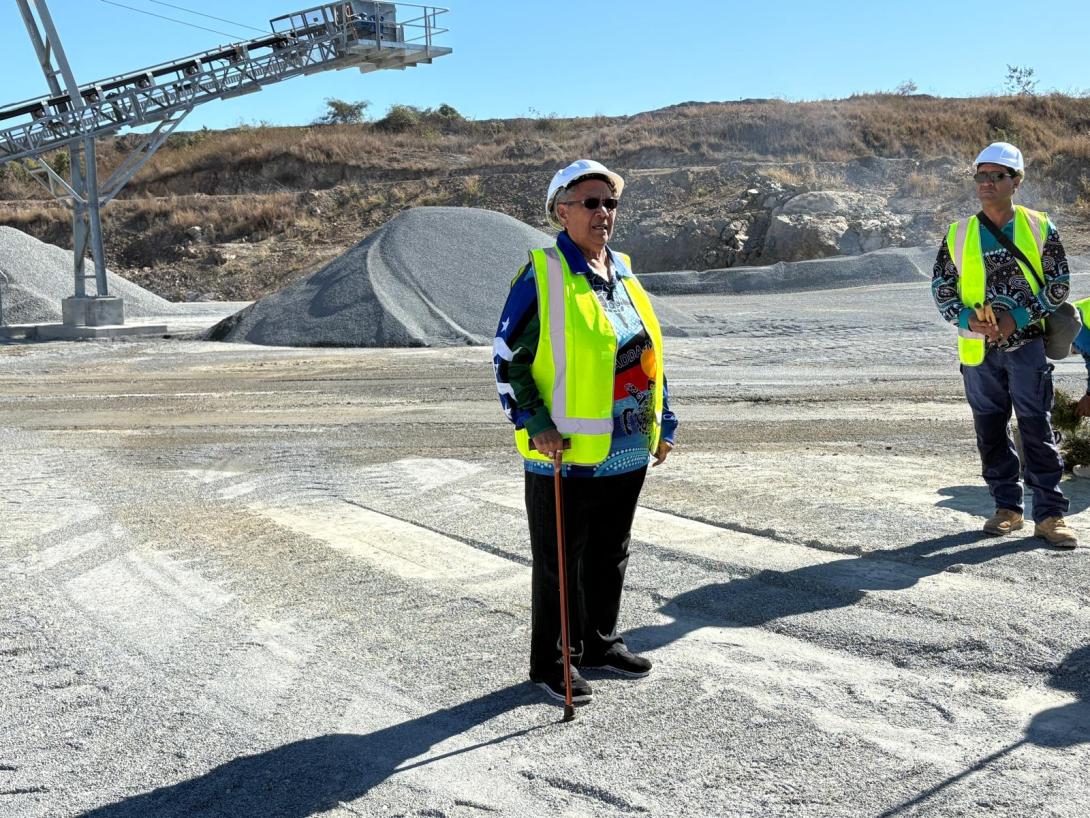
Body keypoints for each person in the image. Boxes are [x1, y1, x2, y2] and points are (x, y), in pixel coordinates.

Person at [493, 159, 678, 703]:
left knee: (609, 553)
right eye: (591, 203)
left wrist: (664, 419)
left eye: (611, 203)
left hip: (625, 445)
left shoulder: (622, 270)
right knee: (559, 562)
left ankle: (598, 644)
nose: (604, 213)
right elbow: (508, 359)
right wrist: (535, 422)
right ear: (561, 210)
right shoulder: (543, 272)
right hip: (565, 450)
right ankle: (553, 663)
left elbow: (648, 354)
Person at [932, 141, 1077, 548]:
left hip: (1028, 345)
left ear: (1016, 181)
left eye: (997, 176)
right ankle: (1007, 508)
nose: (987, 183)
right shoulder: (959, 233)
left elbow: (1059, 284)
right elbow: (942, 287)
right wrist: (967, 319)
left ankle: (1050, 516)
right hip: (978, 351)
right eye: (981, 175)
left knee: (1036, 427)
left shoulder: (1039, 226)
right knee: (990, 430)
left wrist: (1019, 316)